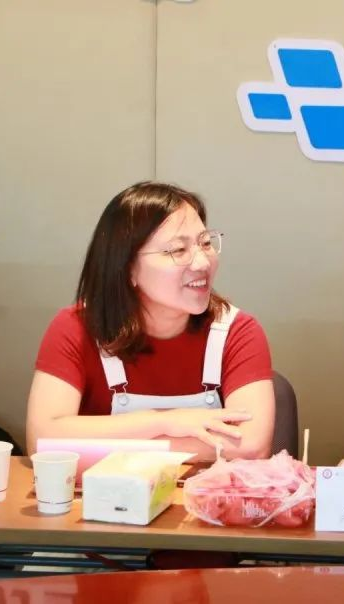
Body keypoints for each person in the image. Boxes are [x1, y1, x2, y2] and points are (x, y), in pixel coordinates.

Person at [26, 182, 275, 462]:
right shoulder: (76, 328)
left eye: (205, 243)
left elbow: (251, 445)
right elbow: (43, 440)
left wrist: (106, 443)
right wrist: (163, 421)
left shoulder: (237, 331)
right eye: (178, 250)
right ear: (127, 268)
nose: (203, 263)